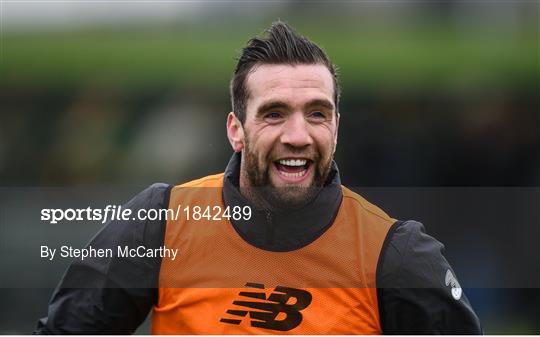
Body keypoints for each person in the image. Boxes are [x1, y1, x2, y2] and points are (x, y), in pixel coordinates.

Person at [35, 21, 482, 334]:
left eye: (317, 114)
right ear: (237, 130)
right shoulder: (161, 221)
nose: (297, 135)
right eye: (274, 113)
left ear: (336, 127)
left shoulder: (397, 255)